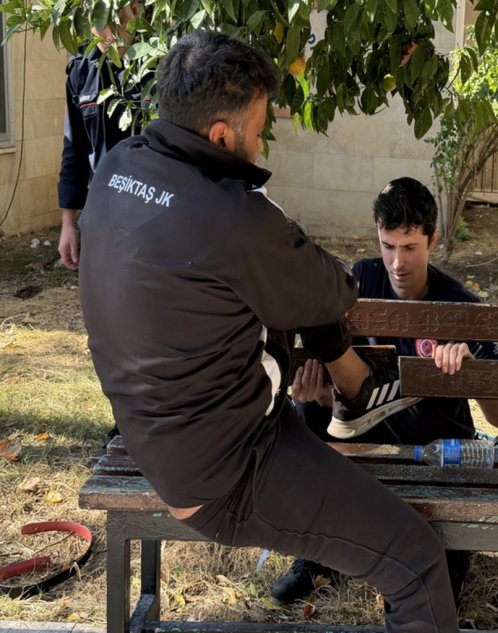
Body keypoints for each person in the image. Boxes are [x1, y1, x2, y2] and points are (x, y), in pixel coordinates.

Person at [77, 31, 459, 633]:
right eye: (258, 133)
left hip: (163, 432)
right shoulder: (233, 217)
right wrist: (277, 229)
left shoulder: (117, 166)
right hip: (229, 472)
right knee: (416, 562)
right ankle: (358, 390)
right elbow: (335, 290)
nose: (260, 147)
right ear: (221, 137)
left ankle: (357, 393)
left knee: (280, 281)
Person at [270, 177, 498, 606]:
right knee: (307, 408)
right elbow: (341, 390)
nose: (397, 262)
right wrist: (317, 394)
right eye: (388, 246)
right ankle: (316, 559)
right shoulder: (361, 280)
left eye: (410, 247)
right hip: (370, 436)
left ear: (433, 240)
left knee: (433, 601)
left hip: (435, 450)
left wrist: (474, 374)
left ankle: (447, 550)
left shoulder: (460, 307)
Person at [57, 3, 140, 271]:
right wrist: (68, 223)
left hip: (151, 213)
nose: (111, 35)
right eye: (101, 23)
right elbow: (74, 149)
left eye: (120, 21)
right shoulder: (80, 70)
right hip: (102, 213)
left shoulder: (157, 64)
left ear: (135, 11)